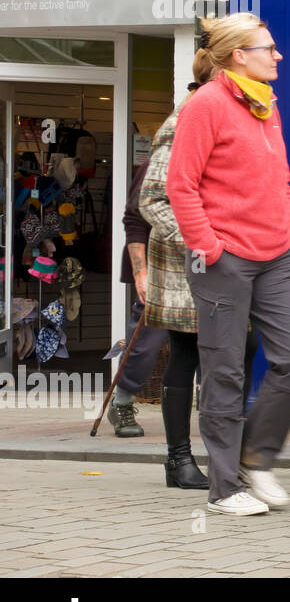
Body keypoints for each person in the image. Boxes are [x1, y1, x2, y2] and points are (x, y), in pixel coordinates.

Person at [168, 13, 290, 517]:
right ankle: (225, 487)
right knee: (225, 371)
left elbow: (276, 176)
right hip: (225, 257)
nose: (278, 56)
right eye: (268, 48)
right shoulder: (204, 105)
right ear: (238, 56)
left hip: (277, 253)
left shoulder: (265, 103)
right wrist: (208, 247)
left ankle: (255, 456)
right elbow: (180, 185)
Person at [138, 55, 260, 489]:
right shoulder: (182, 121)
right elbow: (151, 200)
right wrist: (199, 237)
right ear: (216, 75)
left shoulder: (235, 117)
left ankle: (227, 458)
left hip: (225, 261)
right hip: (188, 263)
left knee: (242, 347)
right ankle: (178, 460)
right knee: (189, 354)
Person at [104, 160, 172, 439]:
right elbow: (134, 219)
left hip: (200, 263)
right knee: (147, 341)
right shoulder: (158, 163)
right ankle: (122, 403)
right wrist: (140, 270)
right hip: (158, 262)